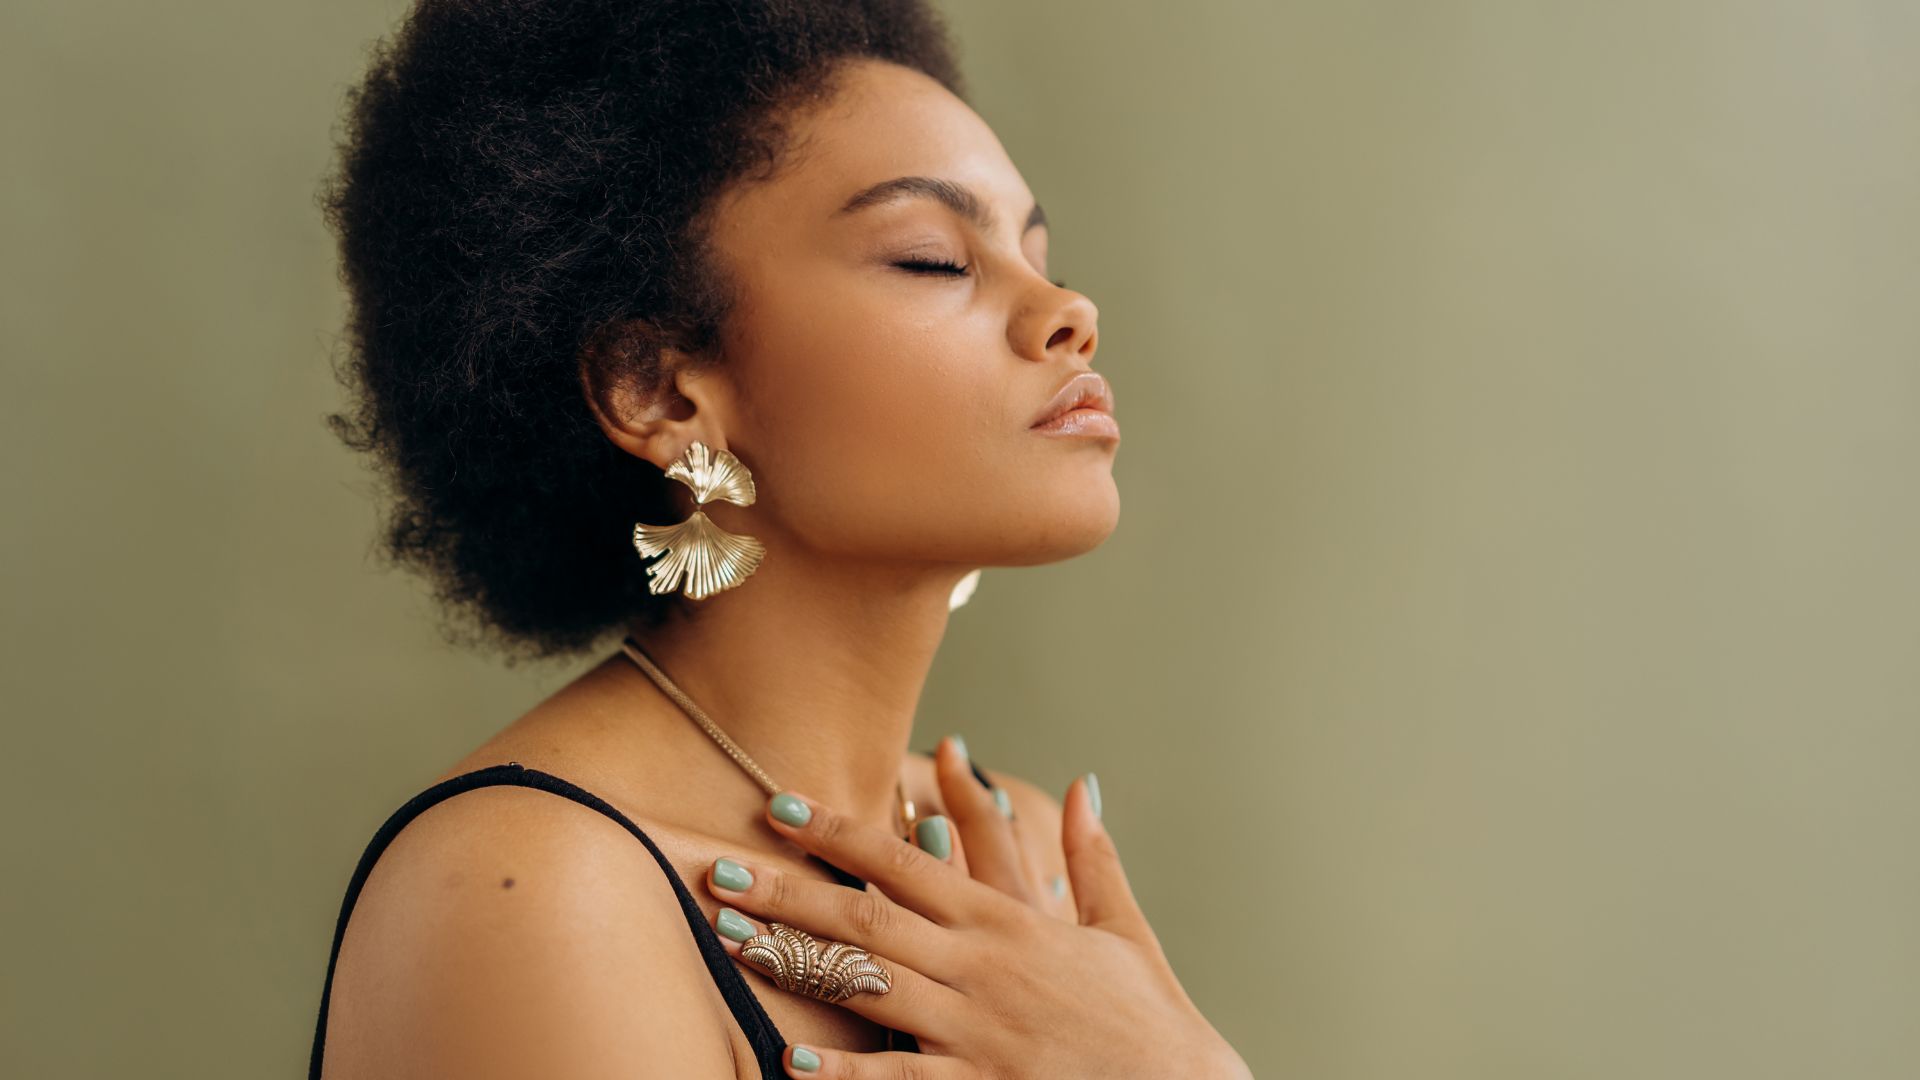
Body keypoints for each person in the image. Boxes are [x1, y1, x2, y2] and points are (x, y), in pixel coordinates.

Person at [310, 1, 1251, 1077]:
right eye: (932, 260)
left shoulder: (1020, 857)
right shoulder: (532, 888)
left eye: (1036, 252)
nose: (1066, 308)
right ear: (658, 389)